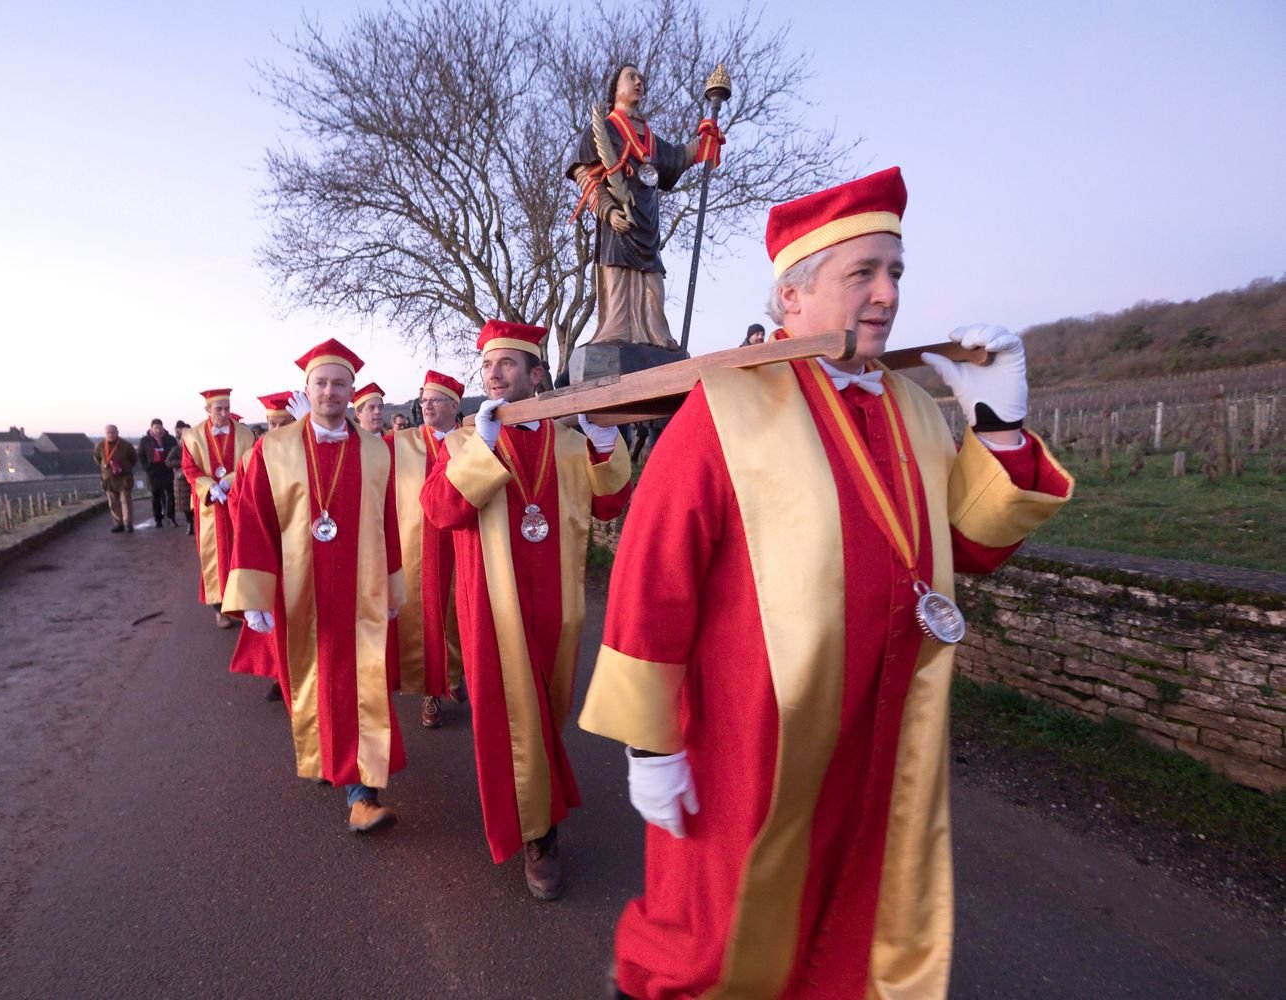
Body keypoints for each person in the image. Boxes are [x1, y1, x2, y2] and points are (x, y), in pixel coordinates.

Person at [577, 166, 1075, 999]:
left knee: (849, 922)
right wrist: (650, 745)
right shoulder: (728, 406)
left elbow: (961, 550)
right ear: (794, 297)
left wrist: (1001, 428)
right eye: (863, 274)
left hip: (881, 729)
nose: (887, 294)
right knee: (712, 940)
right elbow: (652, 578)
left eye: (896, 273)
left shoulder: (914, 408)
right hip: (751, 745)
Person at [422, 320, 633, 899]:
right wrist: (483, 447)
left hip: (559, 607)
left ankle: (538, 803)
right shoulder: (466, 441)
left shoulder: (568, 441)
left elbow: (610, 505)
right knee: (513, 718)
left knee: (544, 714)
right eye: (488, 365)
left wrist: (603, 441)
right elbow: (441, 511)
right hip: (492, 606)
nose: (495, 373)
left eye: (509, 364)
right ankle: (540, 835)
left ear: (537, 375)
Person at [224, 339, 406, 833]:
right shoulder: (273, 449)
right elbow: (253, 520)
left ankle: (361, 793)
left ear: (351, 392)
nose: (330, 391)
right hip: (298, 590)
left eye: (339, 384)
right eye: (321, 383)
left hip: (359, 589)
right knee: (313, 680)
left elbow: (388, 519)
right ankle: (334, 758)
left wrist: (392, 587)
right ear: (307, 389)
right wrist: (254, 595)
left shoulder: (374, 451)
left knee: (358, 682)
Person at [566, 63, 723, 348]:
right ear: (616, 88)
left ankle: (655, 337)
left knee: (653, 285)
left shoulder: (649, 137)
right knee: (618, 281)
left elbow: (676, 157)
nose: (639, 81)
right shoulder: (602, 129)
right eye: (631, 77)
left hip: (648, 220)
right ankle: (616, 333)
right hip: (618, 223)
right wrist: (608, 210)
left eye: (641, 78)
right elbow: (585, 175)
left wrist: (704, 142)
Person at [391, 370, 468, 729]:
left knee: (465, 612)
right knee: (426, 616)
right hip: (418, 543)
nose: (426, 406)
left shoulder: (473, 440)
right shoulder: (402, 442)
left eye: (434, 400)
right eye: (423, 401)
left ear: (454, 406)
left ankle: (459, 675)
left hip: (465, 541)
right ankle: (430, 692)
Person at [229, 391, 309, 702]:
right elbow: (241, 503)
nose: (278, 431)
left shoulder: (306, 451)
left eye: (285, 423)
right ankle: (280, 672)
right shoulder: (254, 456)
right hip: (269, 546)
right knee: (274, 617)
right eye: (272, 425)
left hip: (302, 544)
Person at [181, 389, 257, 629]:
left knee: (241, 552)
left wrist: (230, 480)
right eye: (219, 409)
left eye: (227, 408)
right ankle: (219, 609)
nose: (224, 413)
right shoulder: (192, 437)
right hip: (210, 508)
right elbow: (189, 468)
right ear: (207, 410)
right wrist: (210, 486)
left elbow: (250, 463)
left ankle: (244, 605)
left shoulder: (245, 434)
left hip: (237, 501)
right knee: (214, 558)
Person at [92, 425, 138, 533]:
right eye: (108, 433)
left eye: (113, 432)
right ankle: (118, 523)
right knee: (113, 502)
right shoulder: (100, 446)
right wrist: (105, 466)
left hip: (124, 478)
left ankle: (128, 523)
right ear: (105, 434)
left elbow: (134, 459)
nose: (111, 435)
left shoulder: (126, 445)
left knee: (125, 501)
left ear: (117, 432)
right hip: (109, 479)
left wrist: (124, 467)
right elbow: (97, 458)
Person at [136, 418, 179, 527]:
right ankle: (158, 519)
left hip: (168, 470)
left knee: (171, 495)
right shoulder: (145, 440)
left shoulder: (170, 439)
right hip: (153, 472)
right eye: (156, 428)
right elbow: (140, 456)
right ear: (151, 428)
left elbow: (176, 452)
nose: (158, 430)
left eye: (160, 428)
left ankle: (171, 517)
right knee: (155, 496)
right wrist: (146, 467)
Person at [168, 421, 194, 535]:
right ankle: (190, 523)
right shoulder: (176, 449)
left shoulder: (197, 447)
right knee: (186, 504)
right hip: (183, 479)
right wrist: (183, 462)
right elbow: (168, 462)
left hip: (195, 478)